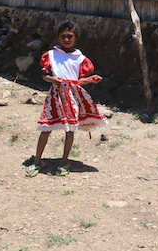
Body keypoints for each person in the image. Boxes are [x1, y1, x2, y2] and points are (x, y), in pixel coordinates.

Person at [26, 20, 107, 177]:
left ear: (77, 37)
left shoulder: (80, 59)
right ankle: (37, 161)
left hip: (72, 96)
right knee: (46, 128)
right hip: (55, 95)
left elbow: (75, 81)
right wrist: (52, 80)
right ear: (58, 37)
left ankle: (64, 161)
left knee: (70, 129)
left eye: (70, 36)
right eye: (63, 36)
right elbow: (45, 75)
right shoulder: (51, 55)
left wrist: (90, 79)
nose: (67, 39)